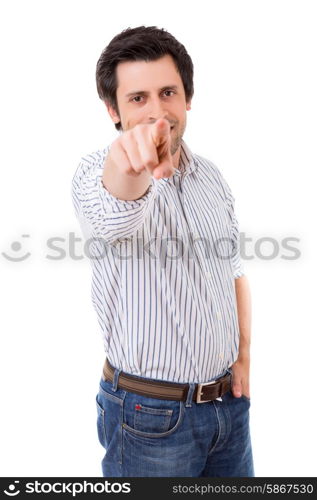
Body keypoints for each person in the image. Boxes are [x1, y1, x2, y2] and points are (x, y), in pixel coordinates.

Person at [71, 25, 254, 477]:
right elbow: (116, 208)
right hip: (148, 419)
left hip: (228, 409)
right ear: (113, 110)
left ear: (187, 97)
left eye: (167, 92)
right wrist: (130, 166)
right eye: (138, 99)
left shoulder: (210, 176)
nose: (157, 112)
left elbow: (233, 270)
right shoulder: (97, 173)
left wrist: (243, 360)